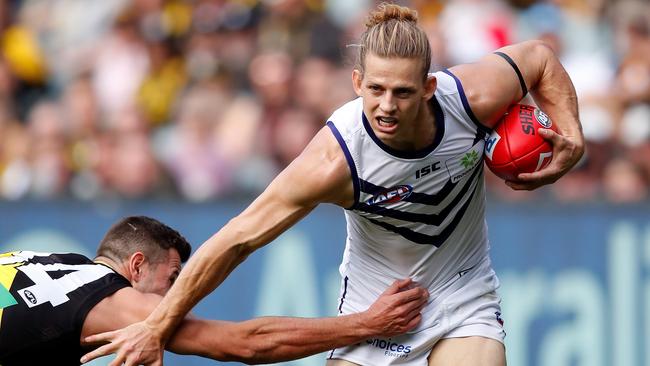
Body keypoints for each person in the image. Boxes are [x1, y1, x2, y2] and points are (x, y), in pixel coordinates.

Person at [84, 3, 584, 366]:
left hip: (463, 294)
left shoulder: (470, 98)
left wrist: (573, 137)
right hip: (374, 309)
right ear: (356, 83)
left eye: (403, 92)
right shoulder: (335, 160)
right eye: (375, 89)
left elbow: (540, 57)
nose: (386, 105)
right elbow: (235, 240)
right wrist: (156, 324)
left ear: (430, 87)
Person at [0, 215, 429, 365]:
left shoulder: (41, 260)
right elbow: (245, 344)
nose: (176, 297)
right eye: (173, 281)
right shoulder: (119, 303)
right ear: (136, 267)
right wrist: (366, 324)